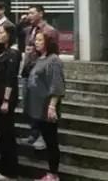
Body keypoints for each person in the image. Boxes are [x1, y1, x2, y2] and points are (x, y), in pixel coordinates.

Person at [20, 5, 59, 150]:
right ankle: (34, 133)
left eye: (32, 13)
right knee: (29, 105)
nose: (28, 15)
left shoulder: (49, 31)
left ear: (41, 14)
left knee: (41, 105)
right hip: (28, 71)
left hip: (41, 73)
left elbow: (53, 53)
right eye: (28, 13)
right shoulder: (29, 30)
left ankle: (43, 136)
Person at [28, 32, 65, 181]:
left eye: (39, 40)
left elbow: (56, 84)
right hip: (38, 107)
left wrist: (52, 106)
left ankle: (53, 174)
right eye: (35, 40)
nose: (36, 42)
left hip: (47, 107)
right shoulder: (39, 59)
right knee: (47, 140)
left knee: (51, 142)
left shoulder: (53, 60)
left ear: (47, 42)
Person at [0, 23, 21, 181]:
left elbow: (10, 79)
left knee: (7, 134)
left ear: (9, 34)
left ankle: (10, 171)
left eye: (2, 33)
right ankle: (4, 168)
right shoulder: (3, 51)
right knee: (1, 134)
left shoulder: (13, 53)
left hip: (6, 98)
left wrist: (6, 100)